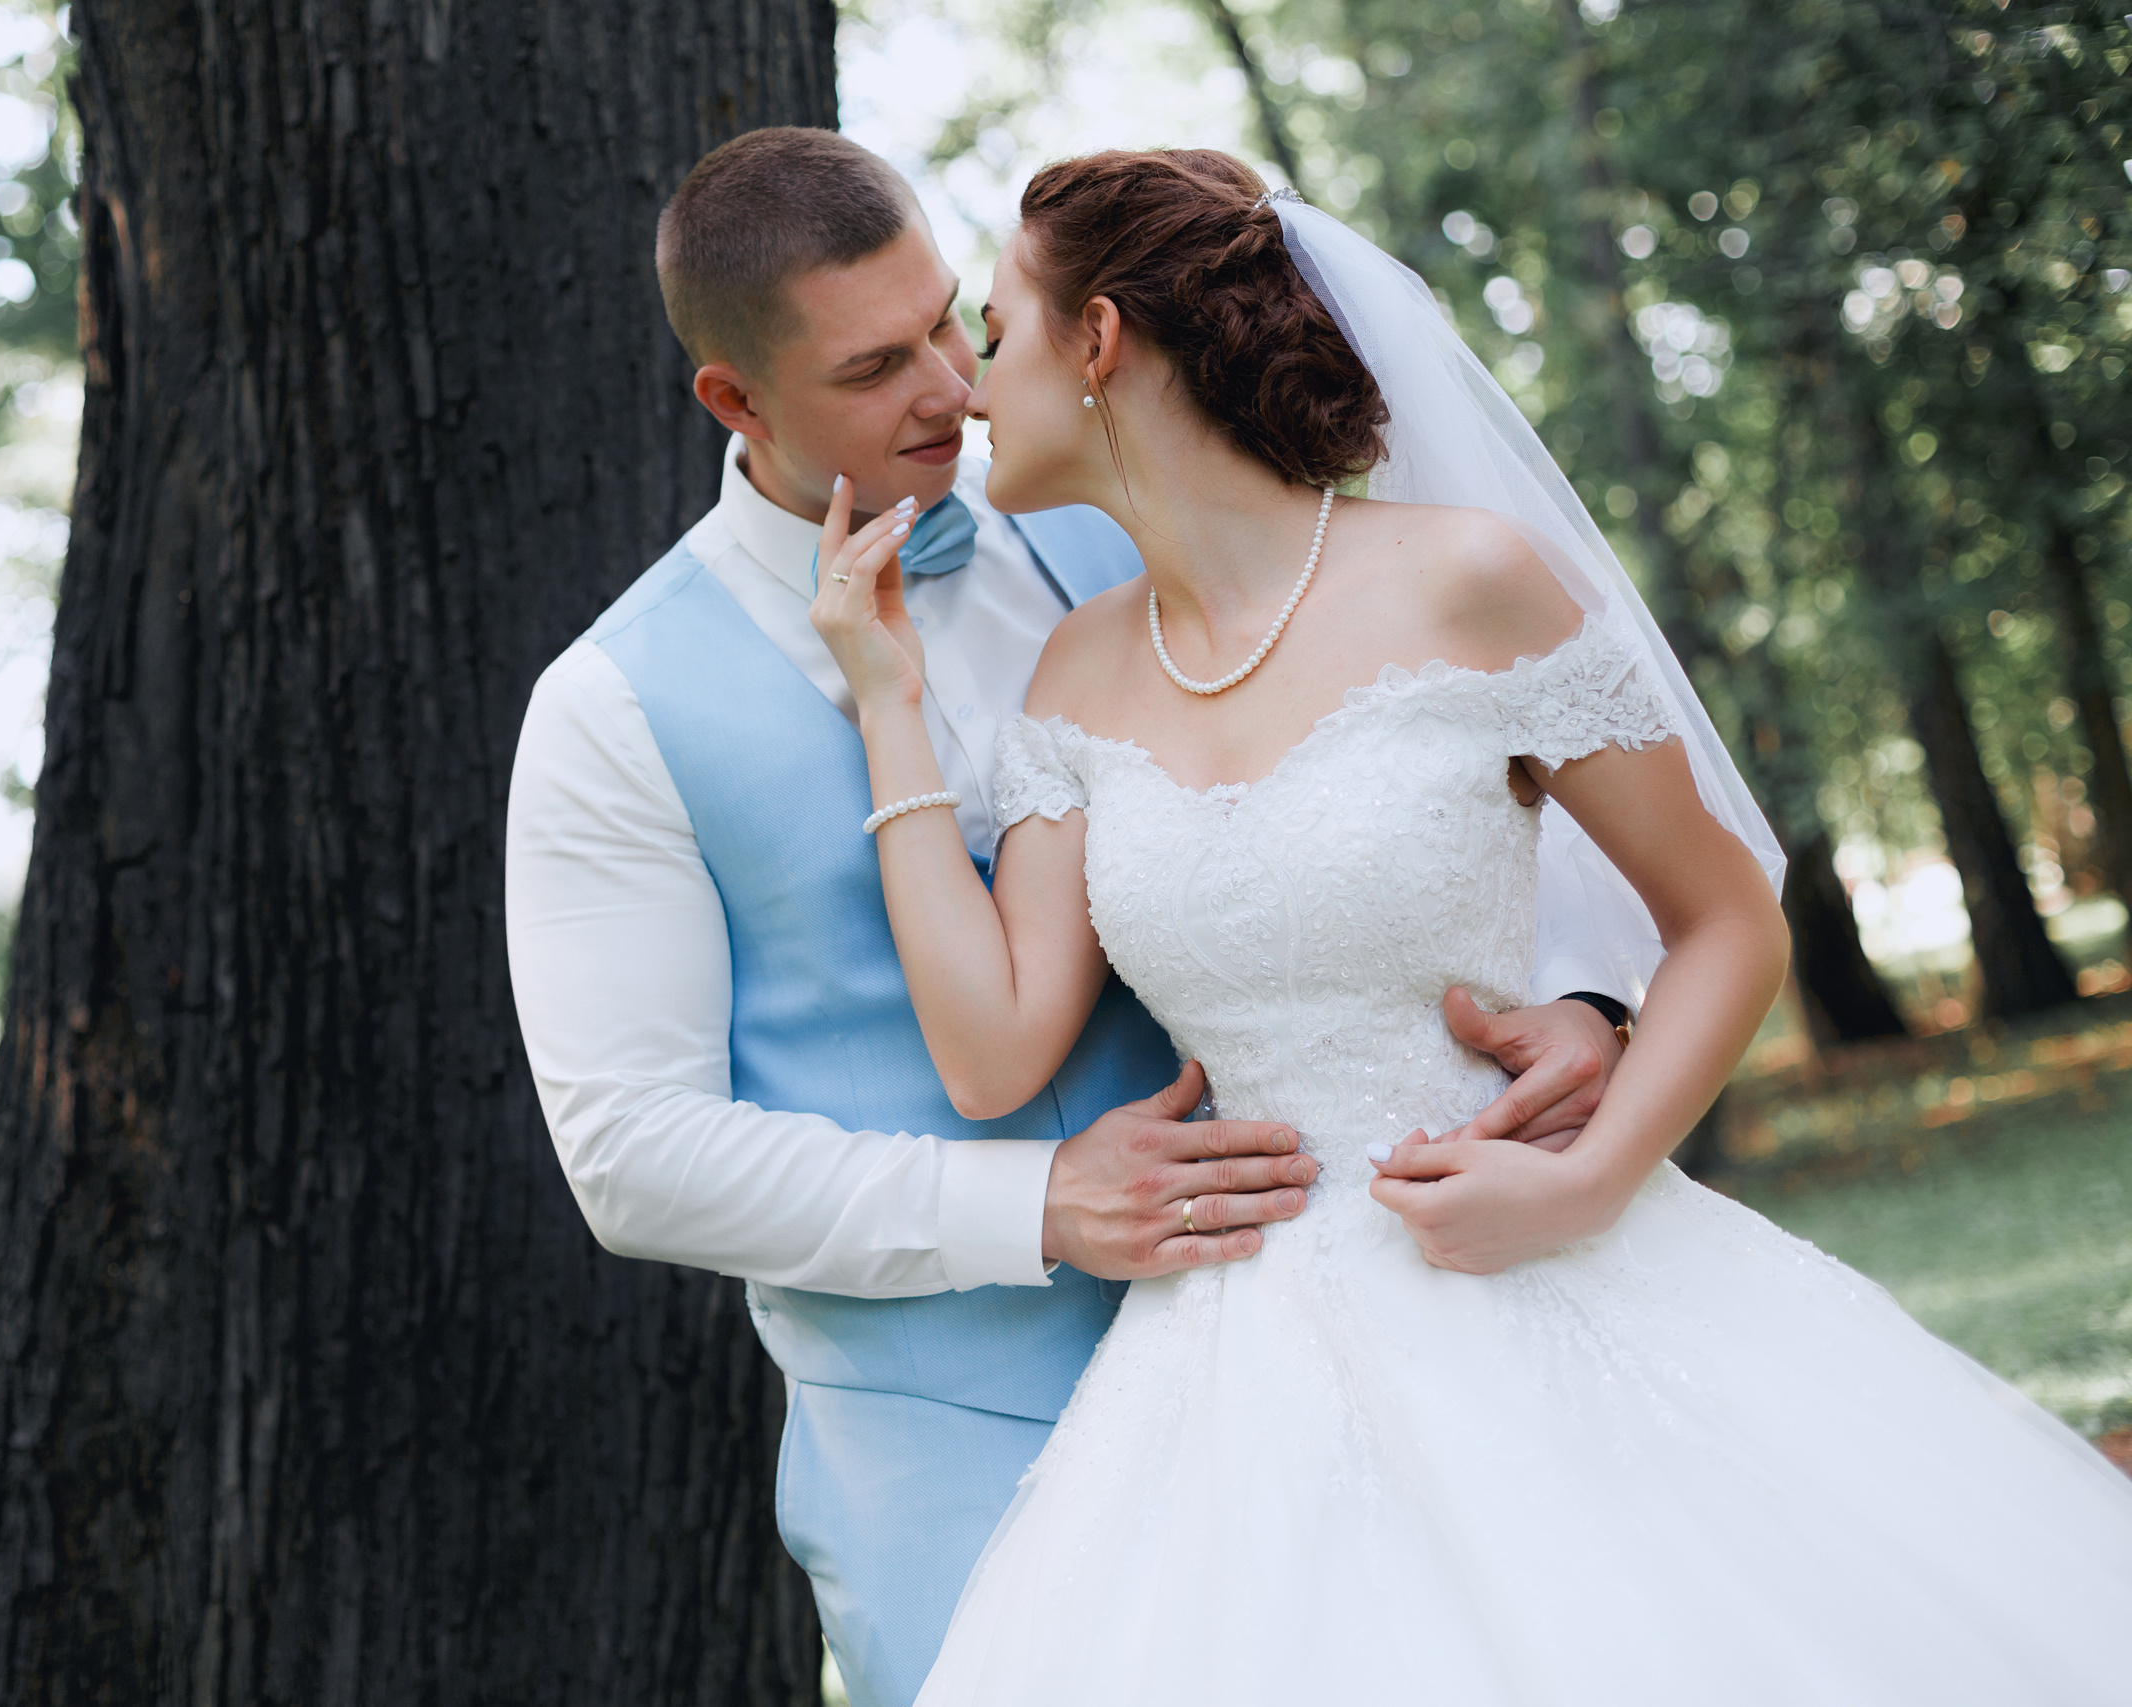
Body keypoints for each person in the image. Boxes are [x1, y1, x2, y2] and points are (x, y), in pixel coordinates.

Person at [806, 147, 2132, 1706]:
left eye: (998, 330)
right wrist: (887, 704)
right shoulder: (1077, 676)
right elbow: (989, 1053)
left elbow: (1724, 923)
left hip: (1539, 1277)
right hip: (1236, 1379)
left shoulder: (1469, 582)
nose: (967, 385)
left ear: (1101, 341)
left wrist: (1582, 1181)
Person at [505, 128, 1646, 1707]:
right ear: (735, 402)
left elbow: (1472, 754)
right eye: (875, 367)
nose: (954, 392)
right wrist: (1032, 1204)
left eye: (952, 325)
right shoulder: (610, 711)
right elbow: (634, 1156)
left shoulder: (1123, 511)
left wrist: (1587, 1003)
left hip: (1336, 1333)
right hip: (953, 1445)